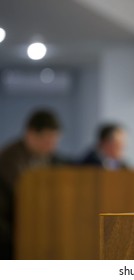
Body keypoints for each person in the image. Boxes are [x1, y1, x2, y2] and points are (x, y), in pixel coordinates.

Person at [0, 109, 62, 259]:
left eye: (54, 141)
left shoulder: (50, 159)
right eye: (47, 141)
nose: (51, 147)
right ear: (31, 134)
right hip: (11, 237)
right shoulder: (9, 160)